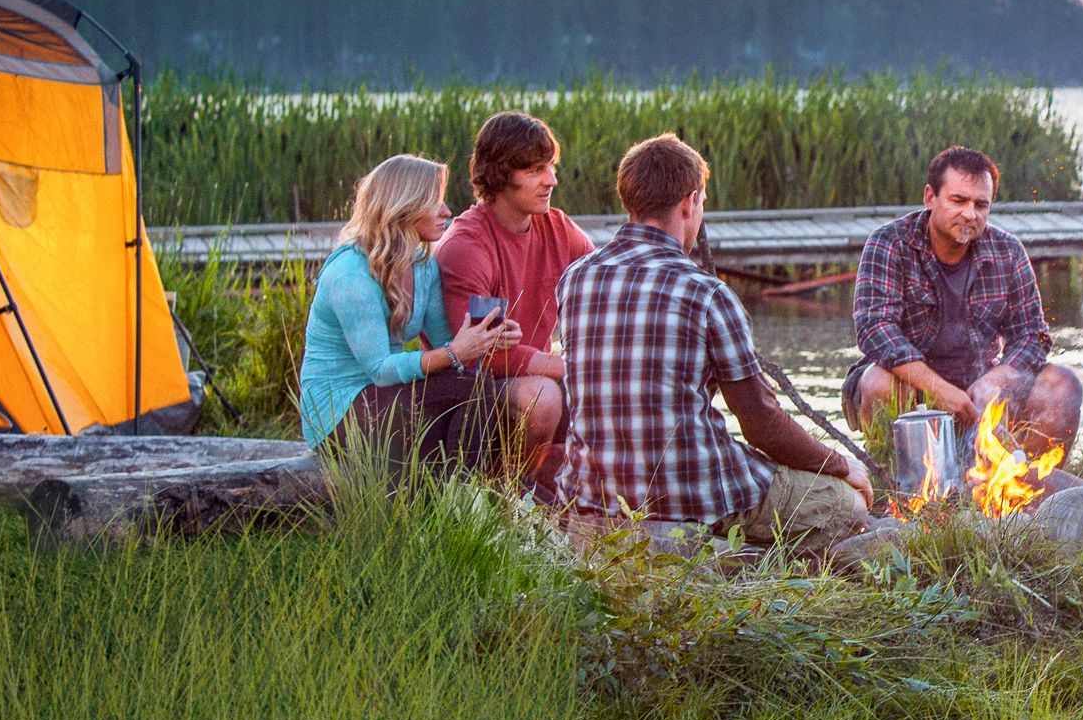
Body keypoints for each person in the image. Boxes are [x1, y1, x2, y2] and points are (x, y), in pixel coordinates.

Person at [556, 134, 873, 545]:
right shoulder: (707, 294)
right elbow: (762, 426)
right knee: (849, 505)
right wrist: (840, 464)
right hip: (689, 502)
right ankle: (736, 555)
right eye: (701, 203)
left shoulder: (575, 278)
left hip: (591, 503)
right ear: (689, 202)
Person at [843, 146, 1083, 460]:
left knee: (1062, 384)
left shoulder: (1008, 251)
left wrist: (1000, 377)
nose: (970, 214)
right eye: (959, 200)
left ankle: (1027, 493)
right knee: (879, 382)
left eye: (980, 204)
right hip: (910, 382)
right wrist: (938, 389)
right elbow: (875, 330)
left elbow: (1034, 335)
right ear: (931, 197)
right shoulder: (889, 242)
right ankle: (892, 485)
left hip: (979, 382)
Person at [296, 154, 521, 473]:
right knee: (466, 392)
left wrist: (487, 337)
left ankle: (460, 494)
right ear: (405, 206)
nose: (447, 211)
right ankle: (460, 495)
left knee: (475, 386)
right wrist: (456, 351)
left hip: (386, 397)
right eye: (436, 202)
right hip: (340, 410)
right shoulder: (351, 275)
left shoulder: (421, 265)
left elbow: (445, 343)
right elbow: (380, 369)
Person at [434, 111, 592, 490]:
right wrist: (569, 366)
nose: (551, 180)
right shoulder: (467, 246)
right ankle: (502, 498)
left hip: (530, 377)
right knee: (543, 397)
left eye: (550, 167)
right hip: (464, 393)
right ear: (501, 173)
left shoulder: (557, 227)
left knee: (606, 390)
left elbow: (602, 284)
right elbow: (482, 353)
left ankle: (575, 502)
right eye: (536, 170)